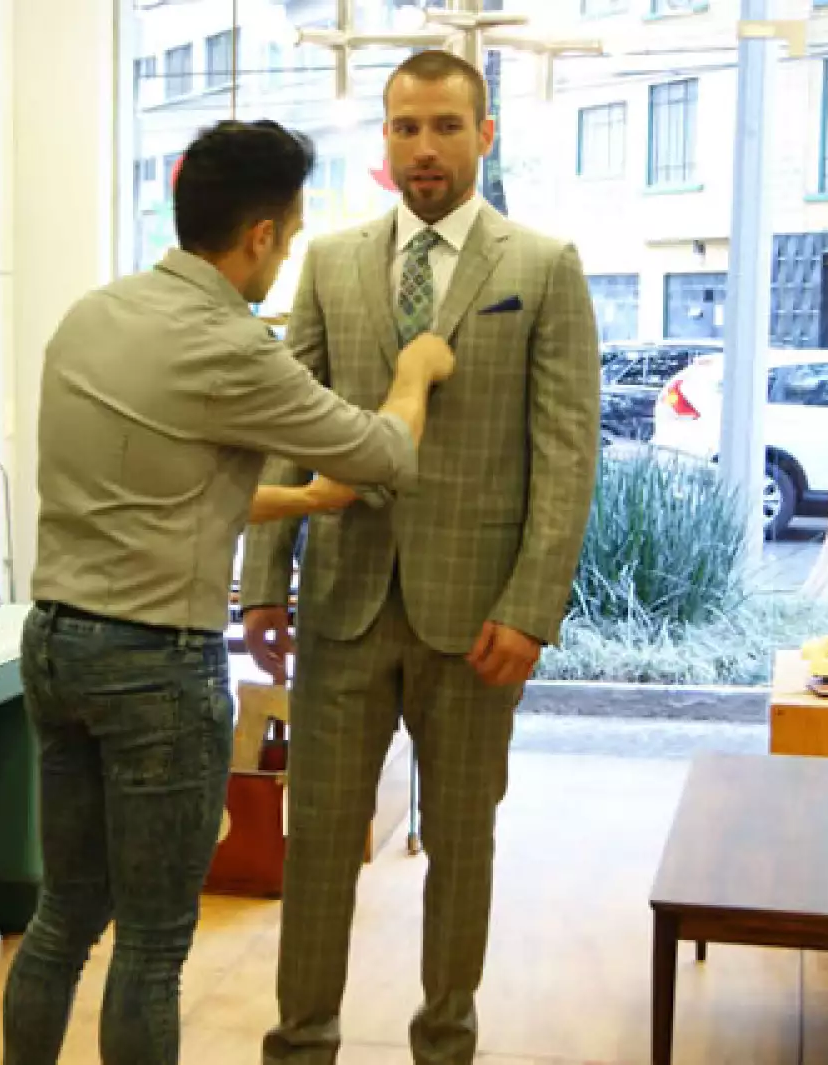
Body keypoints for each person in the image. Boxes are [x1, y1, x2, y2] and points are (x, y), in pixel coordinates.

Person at [2, 118, 457, 1065]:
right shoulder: (231, 346)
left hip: (53, 646)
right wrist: (413, 374)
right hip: (154, 667)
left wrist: (298, 495)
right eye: (288, 239)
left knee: (62, 916)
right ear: (258, 235)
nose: (286, 255)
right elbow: (383, 452)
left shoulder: (94, 314)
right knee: (157, 944)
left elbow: (154, 484)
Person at [240, 50, 601, 1065]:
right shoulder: (333, 261)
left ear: (485, 134)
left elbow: (567, 454)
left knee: (461, 842)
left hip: (477, 613)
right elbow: (284, 427)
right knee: (315, 844)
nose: (425, 147)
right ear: (384, 140)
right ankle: (300, 1041)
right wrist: (265, 581)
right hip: (343, 602)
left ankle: (446, 1039)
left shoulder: (540, 266)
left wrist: (533, 605)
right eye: (405, 127)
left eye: (446, 125)